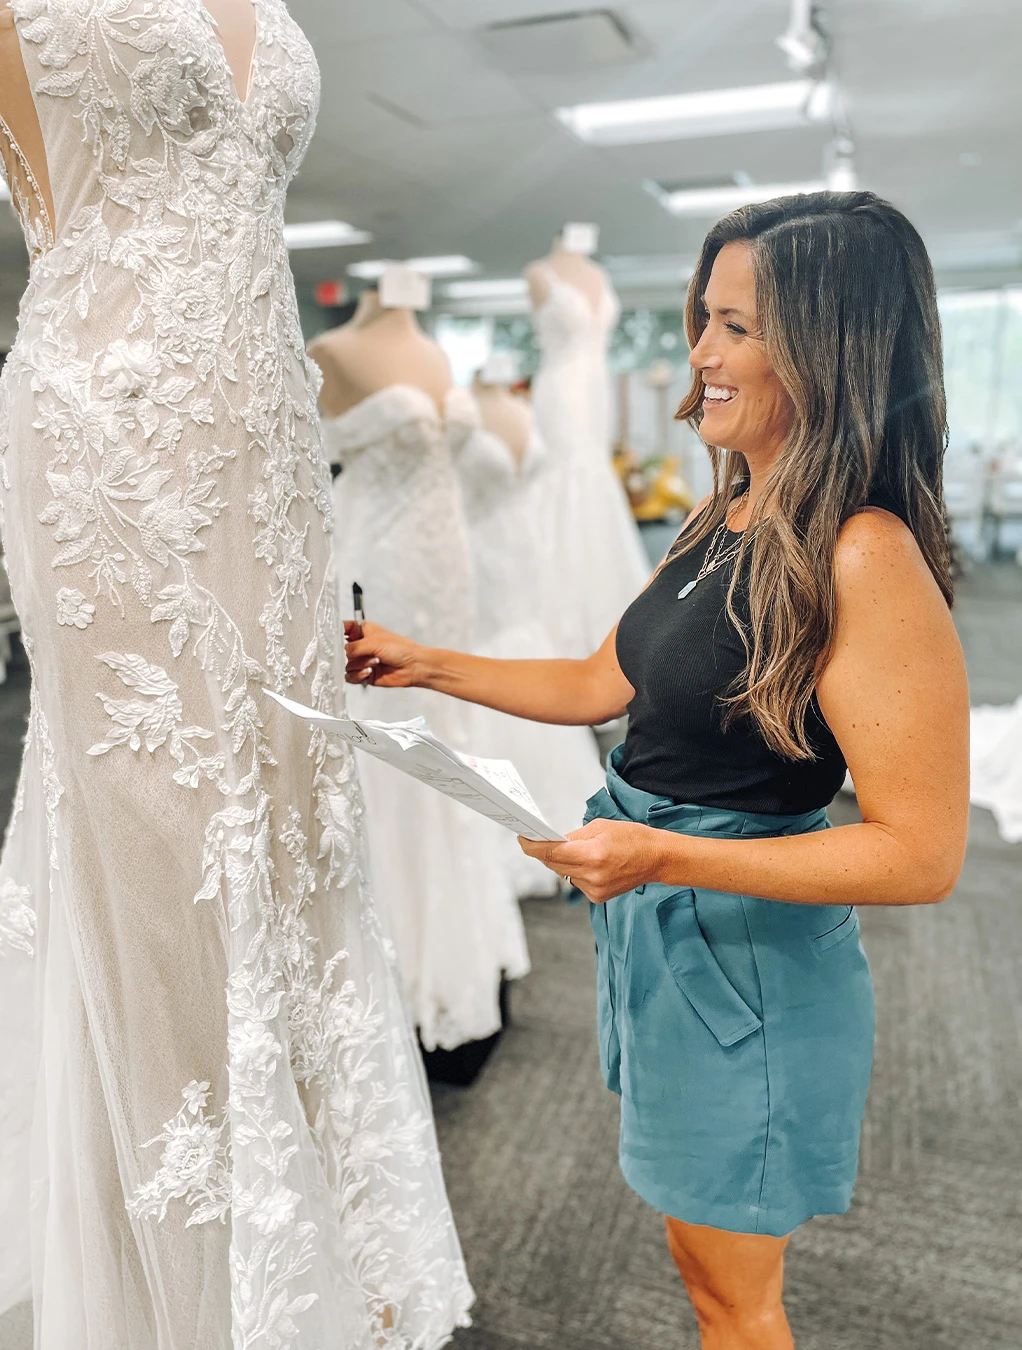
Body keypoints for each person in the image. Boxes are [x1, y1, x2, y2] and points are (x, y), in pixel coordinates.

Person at [344, 191, 971, 1349]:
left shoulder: (862, 556)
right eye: (703, 318)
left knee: (735, 1300)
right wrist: (422, 663)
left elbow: (921, 853)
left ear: (827, 347)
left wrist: (658, 853)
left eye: (735, 327)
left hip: (749, 970)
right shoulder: (724, 513)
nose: (699, 354)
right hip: (666, 937)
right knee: (696, 1260)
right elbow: (600, 682)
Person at [0, 2, 472, 1345]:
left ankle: (302, 1269)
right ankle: (163, 1286)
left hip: (271, 461)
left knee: (293, 832)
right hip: (111, 437)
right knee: (158, 845)